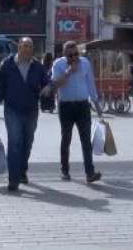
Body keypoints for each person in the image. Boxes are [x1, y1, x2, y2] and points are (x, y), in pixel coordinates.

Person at [0, 37, 51, 193]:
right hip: (12, 109)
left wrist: (48, 87)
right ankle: (13, 179)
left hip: (31, 110)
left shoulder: (37, 66)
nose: (28, 49)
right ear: (19, 47)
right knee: (15, 143)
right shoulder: (7, 65)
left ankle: (22, 170)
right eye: (25, 46)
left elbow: (46, 81)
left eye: (31, 46)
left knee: (27, 142)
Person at [51, 40, 103, 184]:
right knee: (66, 139)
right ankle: (65, 170)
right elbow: (54, 85)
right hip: (66, 106)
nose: (74, 58)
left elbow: (90, 83)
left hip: (82, 106)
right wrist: (68, 72)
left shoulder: (85, 63)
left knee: (86, 140)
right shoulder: (58, 64)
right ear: (64, 54)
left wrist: (96, 104)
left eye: (76, 54)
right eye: (70, 55)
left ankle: (90, 173)